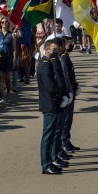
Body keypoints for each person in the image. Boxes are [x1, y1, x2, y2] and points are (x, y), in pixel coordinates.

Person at [37, 39, 66, 175]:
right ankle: (46, 164)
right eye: (52, 49)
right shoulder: (44, 65)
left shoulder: (49, 63)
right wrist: (59, 98)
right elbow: (50, 87)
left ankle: (49, 162)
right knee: (48, 135)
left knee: (52, 133)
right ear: (46, 49)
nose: (55, 51)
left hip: (52, 102)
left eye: (56, 49)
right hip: (49, 103)